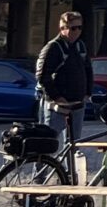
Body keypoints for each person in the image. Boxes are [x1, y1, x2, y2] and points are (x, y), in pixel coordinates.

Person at [34, 9, 94, 148]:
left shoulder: (80, 46)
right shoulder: (53, 48)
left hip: (77, 103)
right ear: (63, 28)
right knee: (47, 142)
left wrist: (87, 92)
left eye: (80, 28)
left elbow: (88, 70)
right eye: (73, 28)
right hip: (57, 105)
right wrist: (57, 97)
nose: (77, 32)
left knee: (73, 144)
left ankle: (69, 170)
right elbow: (42, 76)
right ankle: (41, 169)